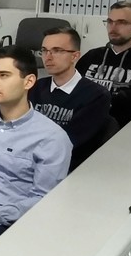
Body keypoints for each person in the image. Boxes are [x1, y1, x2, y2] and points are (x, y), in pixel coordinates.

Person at [0, 46, 72, 246]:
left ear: (29, 81)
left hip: (4, 221)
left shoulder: (51, 138)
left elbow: (43, 198)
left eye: (3, 75)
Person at [28, 26, 113, 169]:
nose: (48, 57)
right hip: (28, 159)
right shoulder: (34, 87)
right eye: (44, 50)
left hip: (67, 166)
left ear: (75, 56)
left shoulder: (96, 95)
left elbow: (71, 141)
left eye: (57, 50)